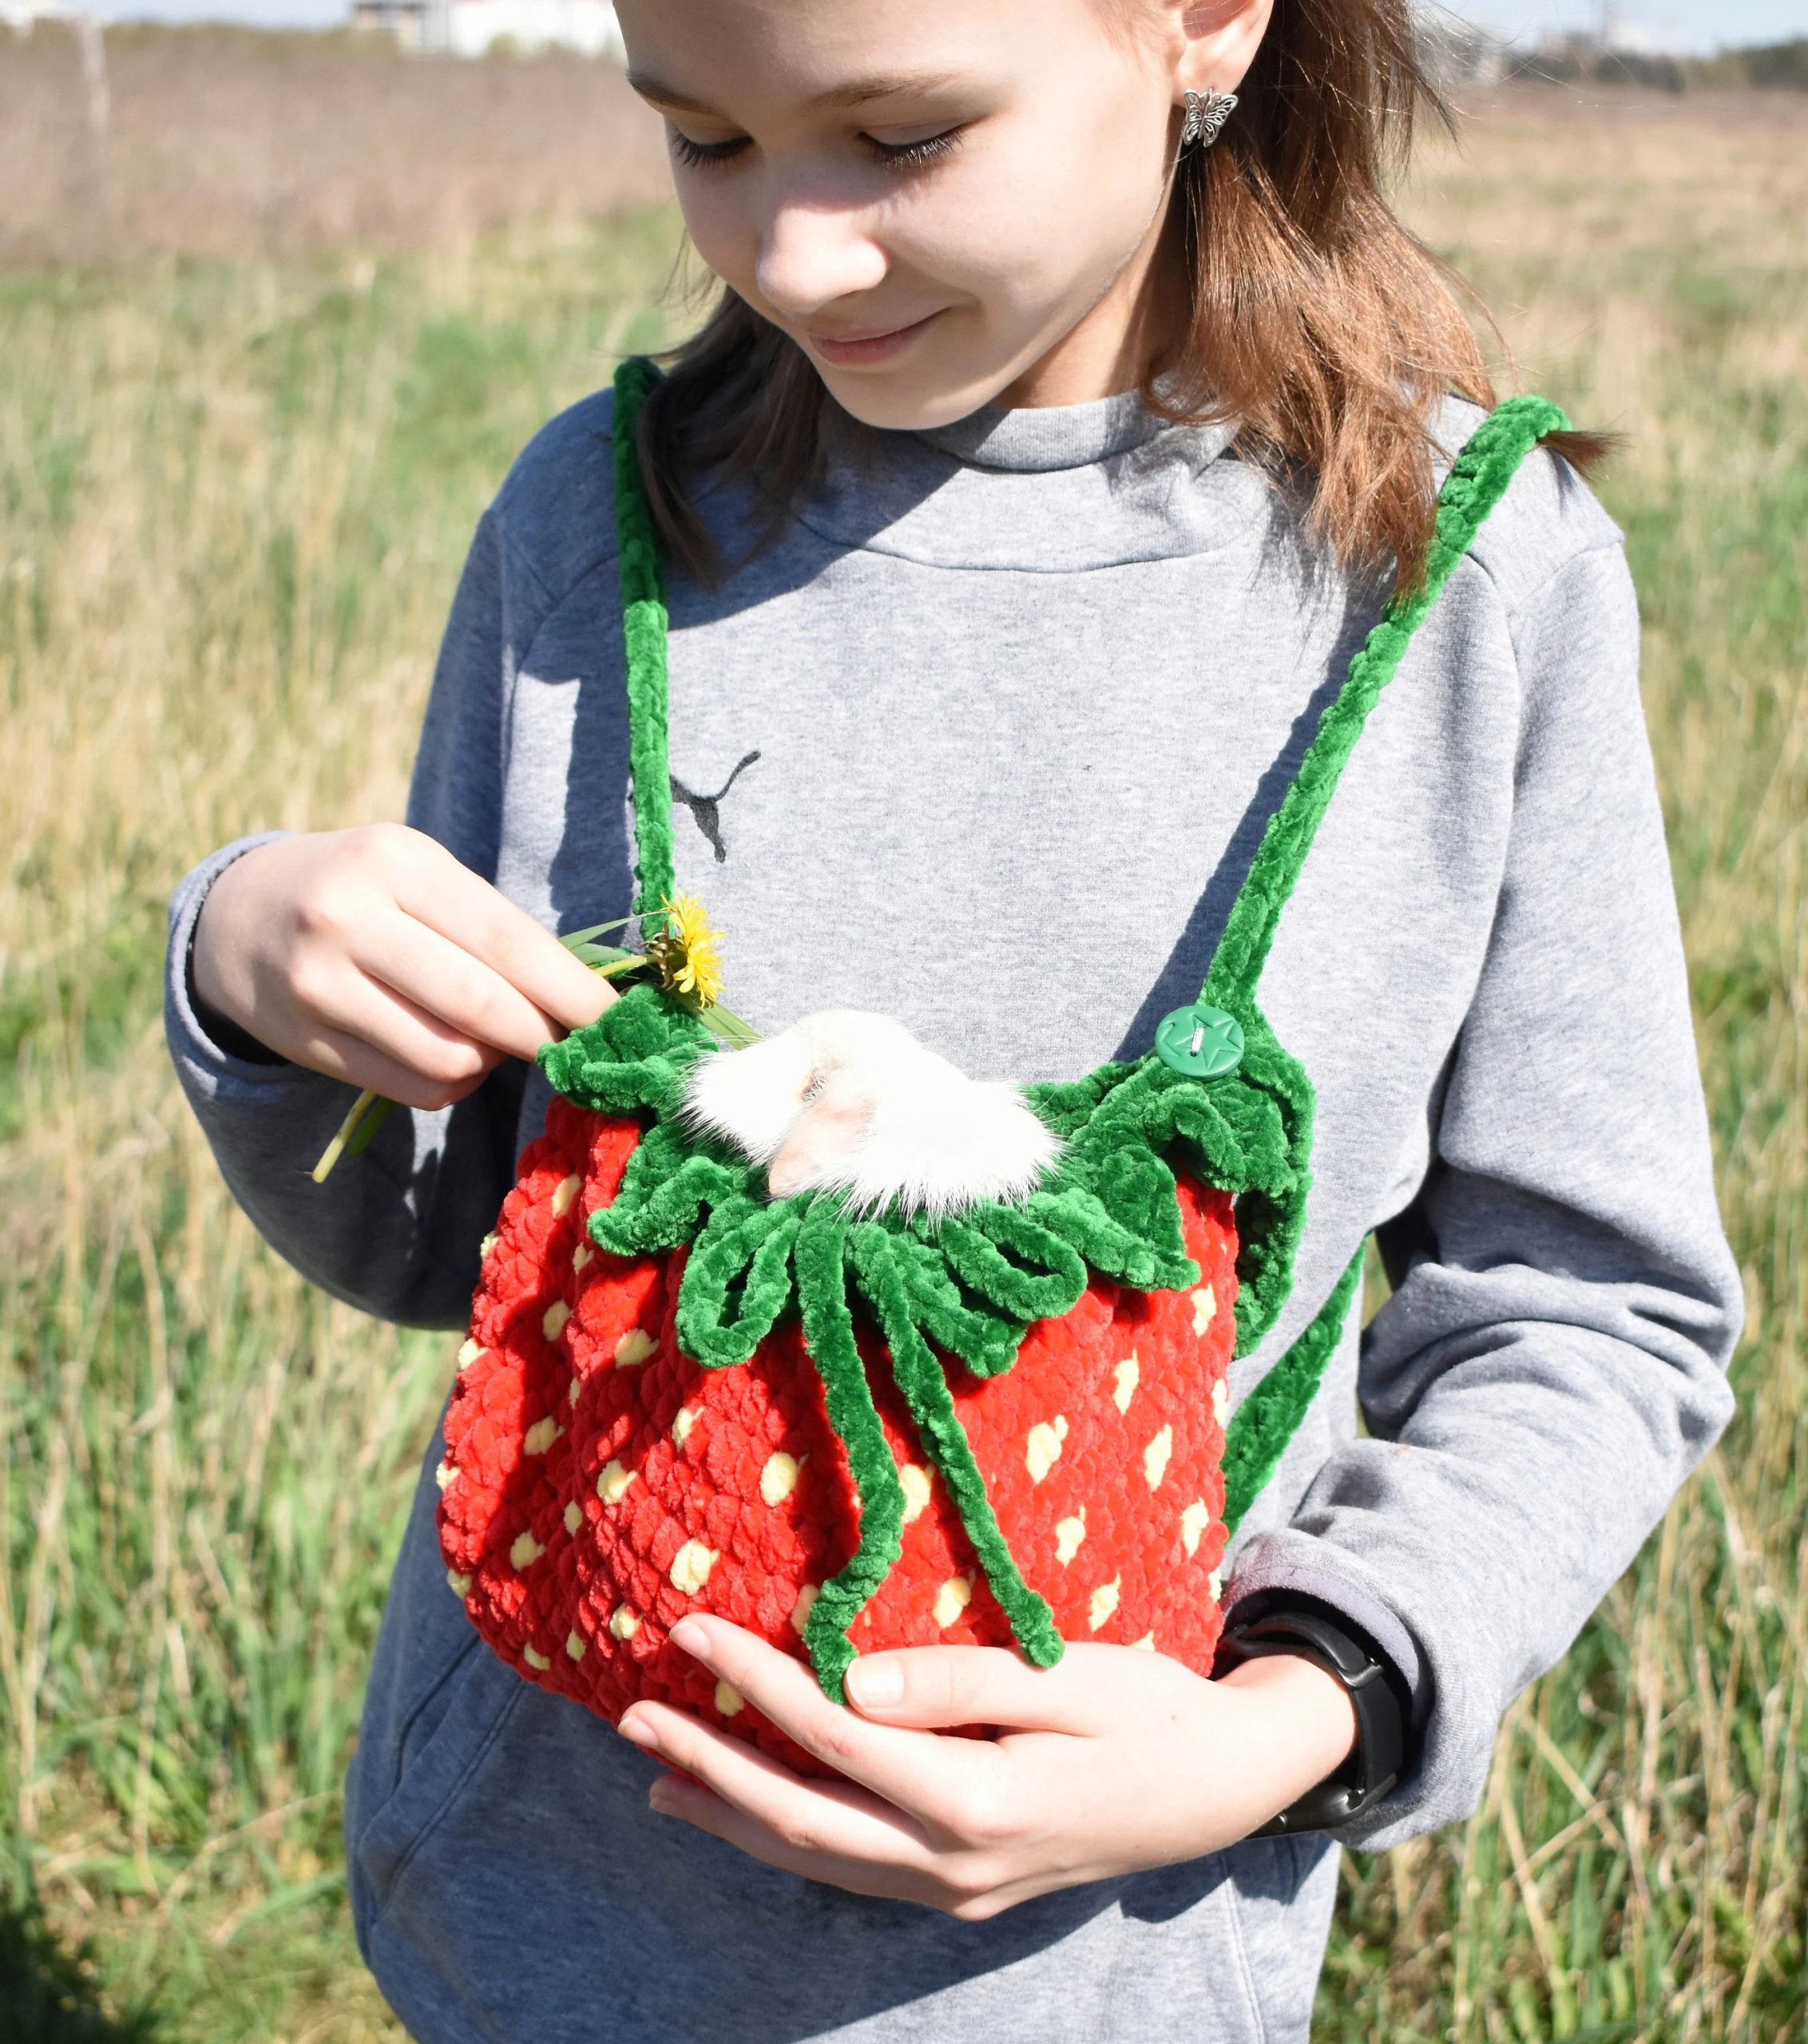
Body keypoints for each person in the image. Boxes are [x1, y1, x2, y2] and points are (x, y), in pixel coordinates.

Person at [165, 0, 1742, 2037]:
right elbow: (460, 1235)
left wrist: (1291, 1716)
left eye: (898, 138)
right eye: (705, 139)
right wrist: (260, 981)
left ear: (1198, 25)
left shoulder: (1461, 588)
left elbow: (1587, 1312)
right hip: (547, 1935)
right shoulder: (600, 528)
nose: (795, 253)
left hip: (1110, 1973)